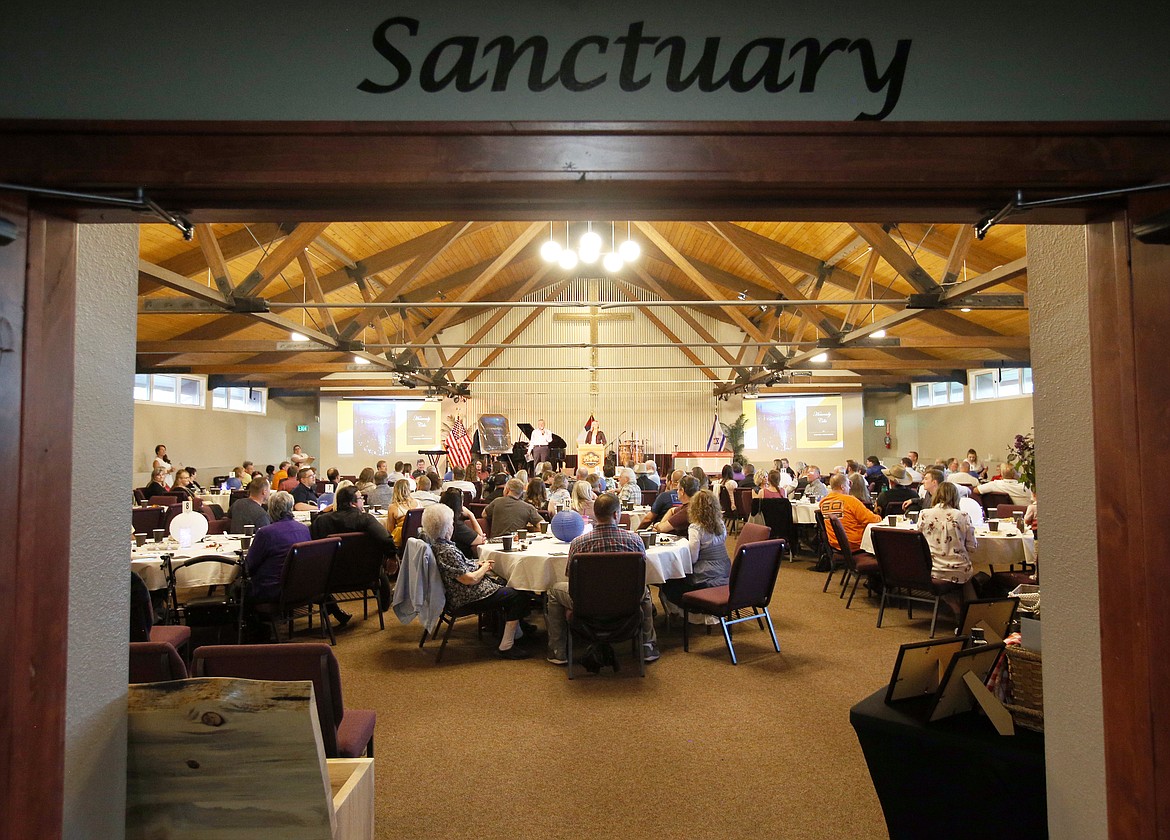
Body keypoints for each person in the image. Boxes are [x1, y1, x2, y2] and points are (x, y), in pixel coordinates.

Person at [544, 493, 661, 666]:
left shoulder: (578, 543)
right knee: (644, 590)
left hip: (586, 603)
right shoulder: (635, 540)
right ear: (616, 514)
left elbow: (572, 578)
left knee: (553, 591)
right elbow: (640, 576)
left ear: (595, 514)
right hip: (626, 601)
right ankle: (647, 645)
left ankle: (558, 650)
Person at [423, 504, 534, 660]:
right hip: (467, 597)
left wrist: (477, 565)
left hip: (459, 593)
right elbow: (470, 579)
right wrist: (485, 567)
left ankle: (513, 630)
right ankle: (506, 646)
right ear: (447, 527)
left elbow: (460, 570)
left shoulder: (439, 546)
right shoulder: (447, 551)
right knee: (519, 594)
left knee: (506, 582)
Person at [310, 485, 396, 618]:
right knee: (380, 572)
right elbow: (385, 539)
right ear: (353, 503)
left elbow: (313, 548)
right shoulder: (366, 519)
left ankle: (335, 612)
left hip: (330, 577)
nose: (363, 501)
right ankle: (385, 604)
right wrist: (392, 556)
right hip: (365, 575)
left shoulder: (322, 521)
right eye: (361, 498)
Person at [659, 488, 732, 611]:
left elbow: (692, 559)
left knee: (669, 582)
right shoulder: (721, 524)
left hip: (705, 574)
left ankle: (683, 613)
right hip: (724, 570)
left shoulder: (696, 528)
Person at [917, 481, 979, 606]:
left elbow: (919, 542)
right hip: (957, 569)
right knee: (966, 572)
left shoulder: (924, 514)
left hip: (931, 568)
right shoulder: (962, 516)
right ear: (956, 497)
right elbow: (972, 547)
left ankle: (957, 607)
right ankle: (971, 613)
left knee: (961, 574)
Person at [244, 491, 310, 602]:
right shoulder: (304, 529)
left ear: (271, 510)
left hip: (271, 589)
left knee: (237, 587)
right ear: (291, 508)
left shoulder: (265, 533)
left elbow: (249, 565)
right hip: (299, 586)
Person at [819, 473, 881, 552]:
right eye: (848, 485)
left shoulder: (823, 503)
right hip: (855, 543)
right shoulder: (850, 501)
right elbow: (872, 520)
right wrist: (879, 516)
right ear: (843, 487)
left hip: (835, 544)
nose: (849, 488)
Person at [440, 487, 487, 558]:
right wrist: (471, 515)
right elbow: (481, 540)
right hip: (464, 560)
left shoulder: (441, 520)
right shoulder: (457, 525)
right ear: (459, 505)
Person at [384, 479, 416, 545]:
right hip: (417, 538)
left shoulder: (393, 507)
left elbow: (390, 530)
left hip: (401, 540)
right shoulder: (418, 504)